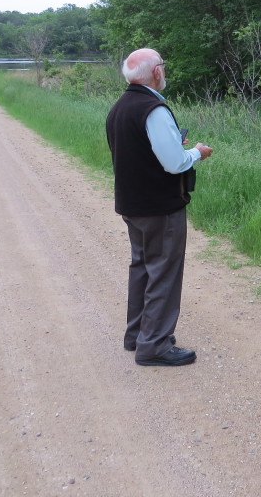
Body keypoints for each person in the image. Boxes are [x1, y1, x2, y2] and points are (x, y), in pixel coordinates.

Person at [105, 48, 213, 367]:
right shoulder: (154, 108)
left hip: (133, 204)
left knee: (142, 267)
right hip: (159, 207)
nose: (164, 71)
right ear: (155, 72)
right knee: (164, 270)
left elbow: (140, 154)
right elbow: (174, 163)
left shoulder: (119, 107)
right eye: (162, 66)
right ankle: (153, 345)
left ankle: (138, 334)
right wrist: (196, 152)